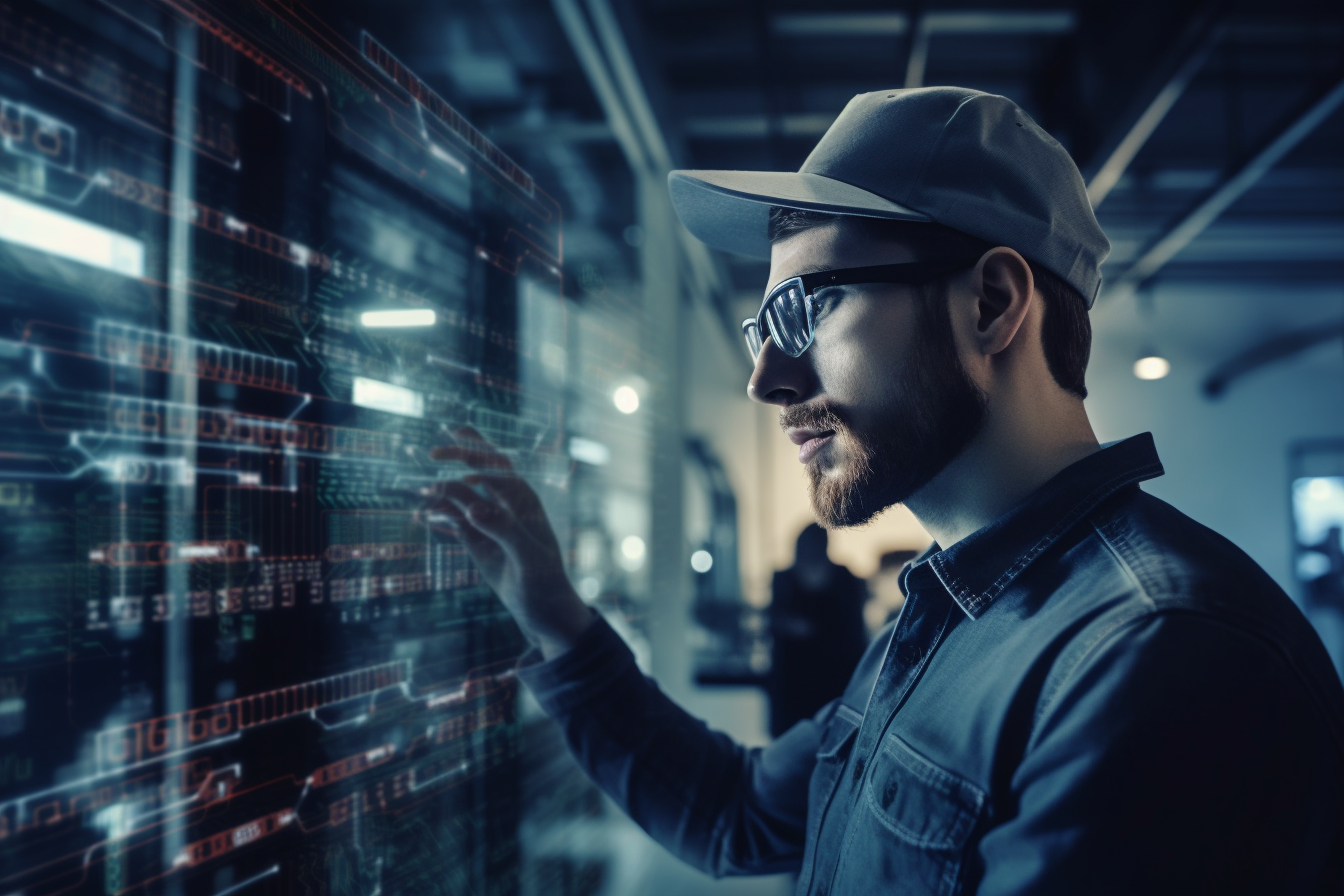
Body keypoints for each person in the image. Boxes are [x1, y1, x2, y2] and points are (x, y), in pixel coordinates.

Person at [426, 87, 1344, 894]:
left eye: (809, 309)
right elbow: (739, 815)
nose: (769, 381)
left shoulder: (1154, 656)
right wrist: (552, 613)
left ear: (991, 304)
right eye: (764, 327)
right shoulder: (946, 613)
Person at [767, 524, 868, 737]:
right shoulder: (784, 579)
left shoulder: (845, 578)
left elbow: (854, 630)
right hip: (795, 682)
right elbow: (774, 622)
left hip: (835, 676)